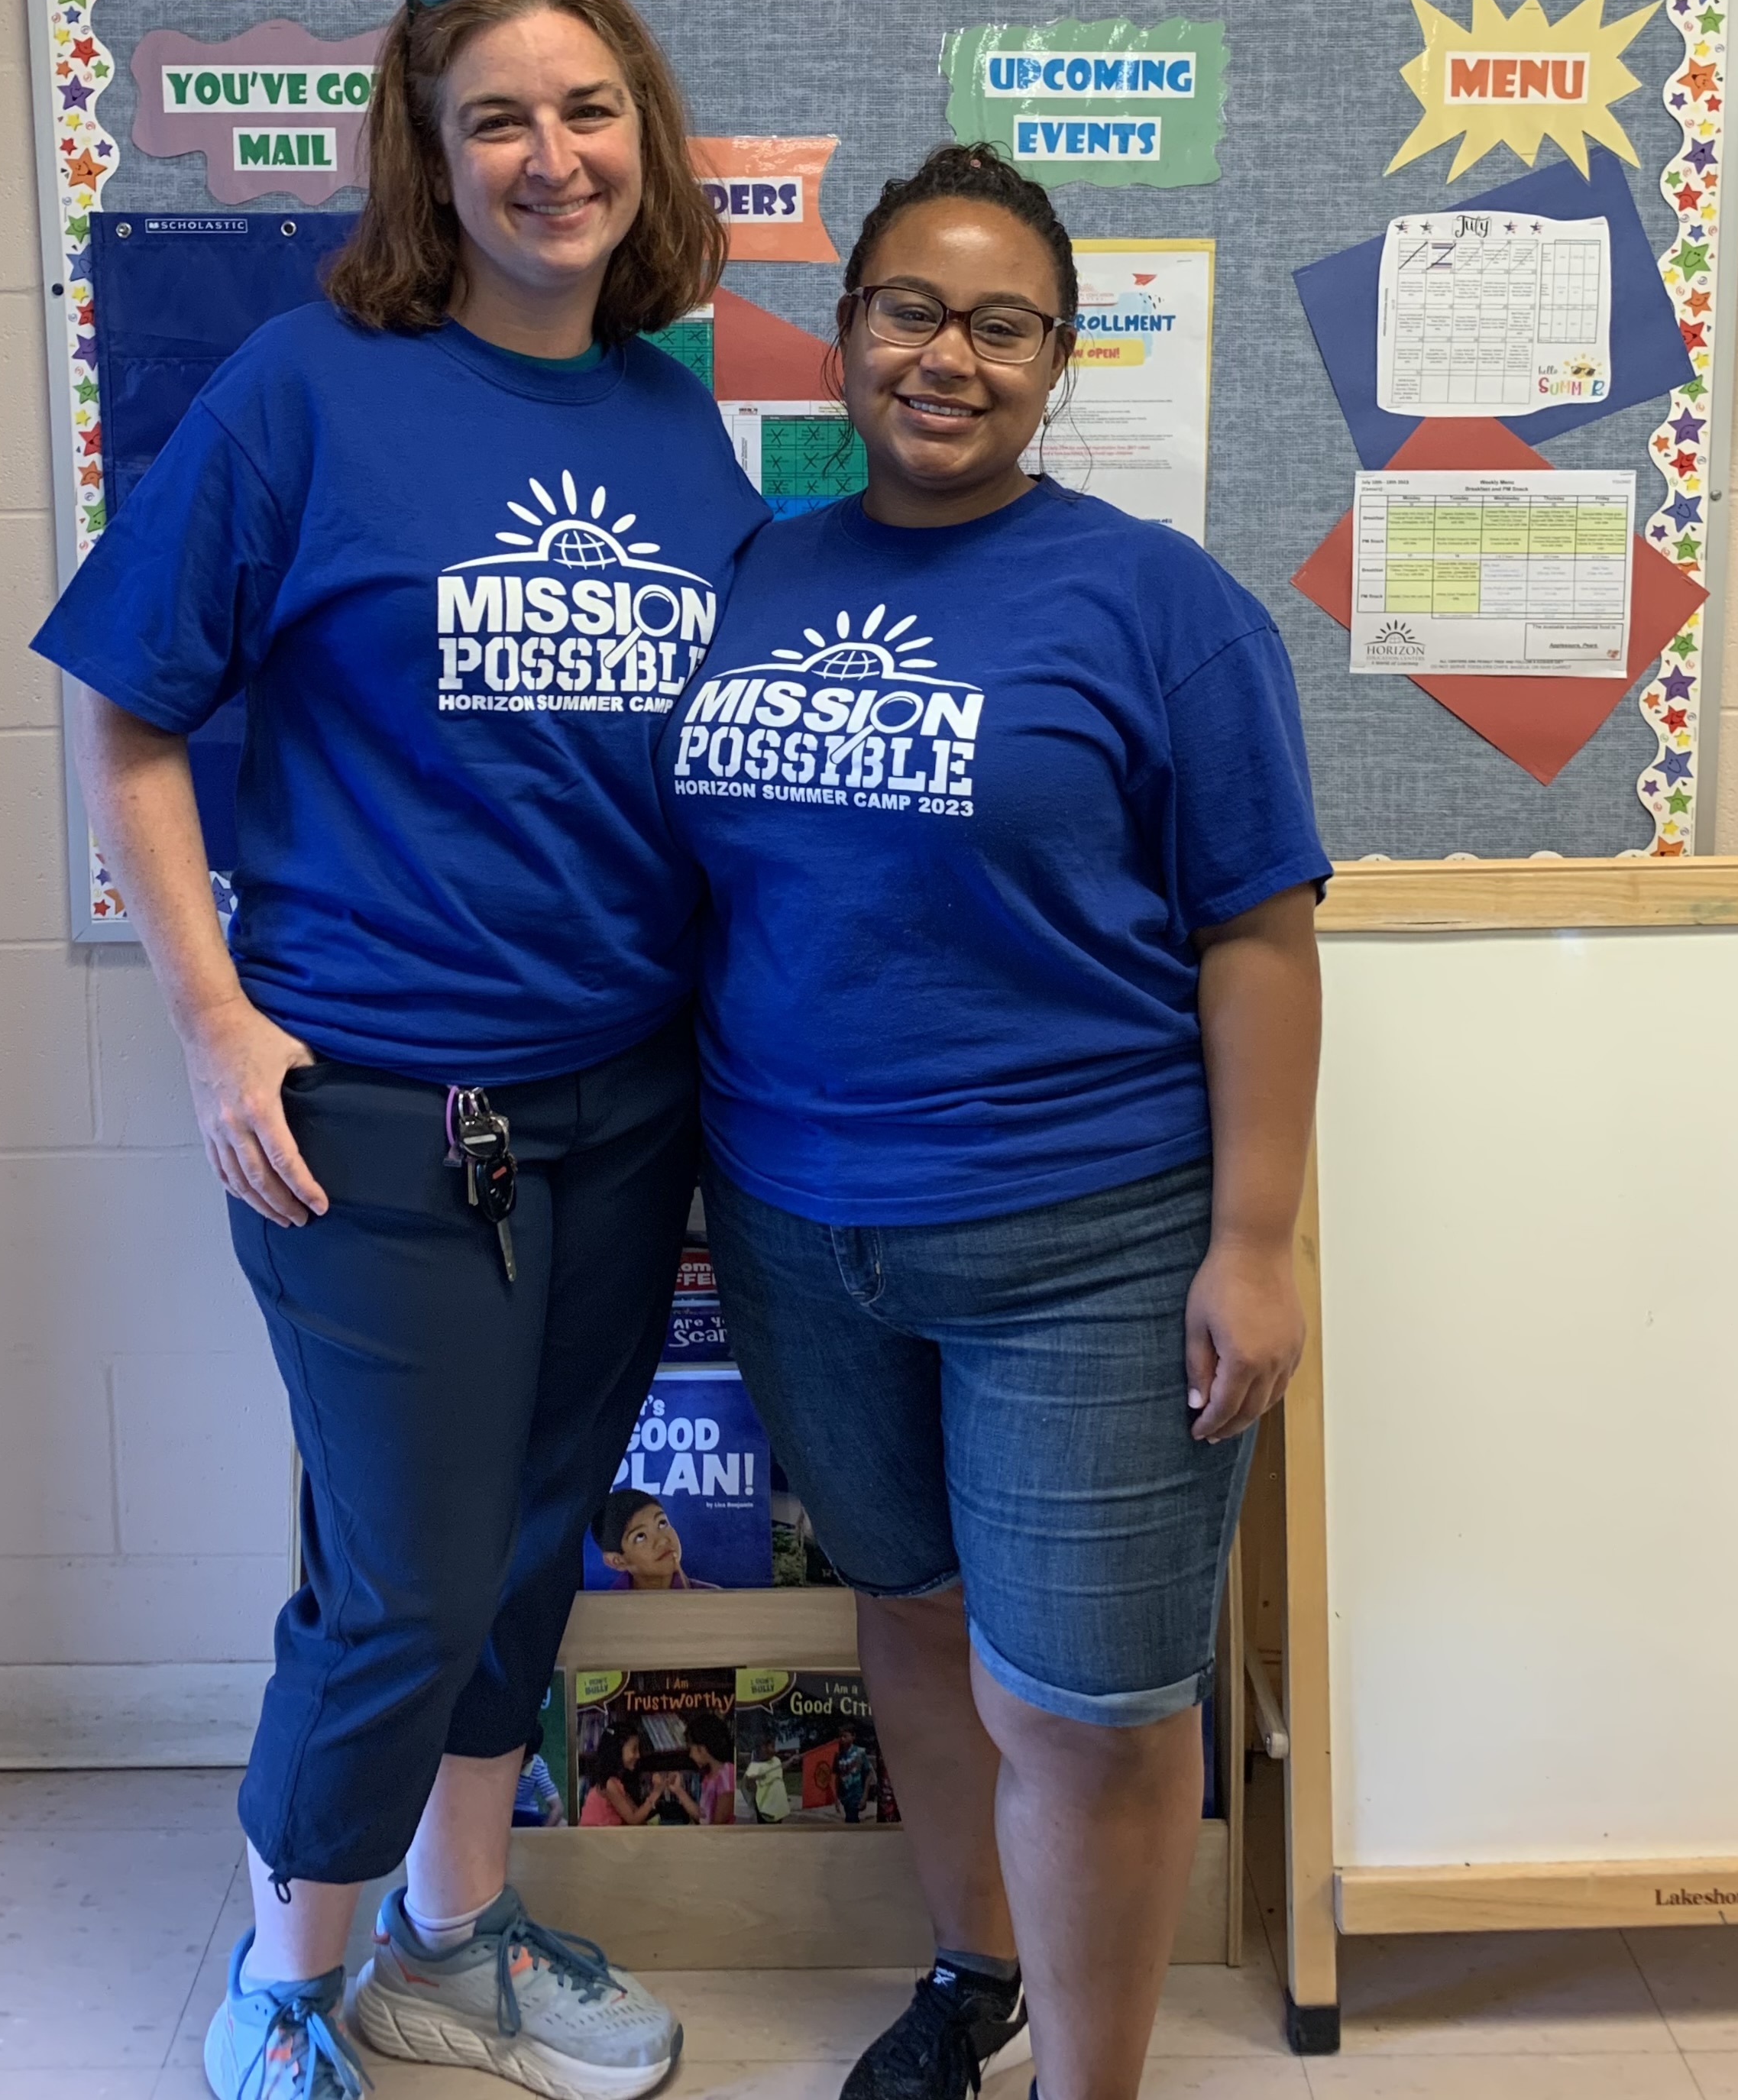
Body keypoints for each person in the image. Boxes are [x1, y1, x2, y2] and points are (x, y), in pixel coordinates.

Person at [31, 0, 766, 2100]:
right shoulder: (305, 387)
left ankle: (457, 1942)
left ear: (642, 128)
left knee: (527, 1555)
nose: (555, 158)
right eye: (498, 123)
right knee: (399, 1583)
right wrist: (209, 1020)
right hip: (366, 1103)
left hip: (622, 1099)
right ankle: (279, 1985)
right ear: (430, 166)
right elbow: (130, 702)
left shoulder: (661, 404)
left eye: (587, 109)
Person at [665, 145, 1329, 2100]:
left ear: (1056, 360)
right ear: (847, 328)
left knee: (1094, 1700)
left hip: (1088, 1241)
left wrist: (1255, 1239)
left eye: (1000, 324)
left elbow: (1261, 939)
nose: (946, 355)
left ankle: (1085, 2084)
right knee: (916, 1613)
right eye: (908, 310)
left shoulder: (1156, 604)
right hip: (798, 1223)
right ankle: (977, 1973)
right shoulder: (756, 572)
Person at [590, 1487, 719, 1590]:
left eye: (662, 1523)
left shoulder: (715, 1599)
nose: (663, 1540)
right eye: (640, 1536)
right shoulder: (606, 1611)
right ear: (617, 1561)